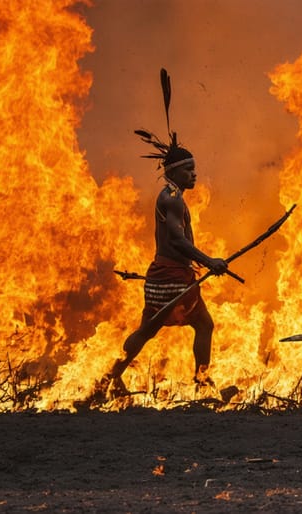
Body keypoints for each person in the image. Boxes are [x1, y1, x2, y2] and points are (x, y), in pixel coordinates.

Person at [95, 140, 229, 400]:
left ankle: (109, 377)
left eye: (194, 169)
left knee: (153, 330)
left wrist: (199, 261)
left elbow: (178, 242)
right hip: (172, 280)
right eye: (188, 170)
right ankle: (201, 382)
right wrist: (209, 260)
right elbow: (178, 240)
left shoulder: (172, 196)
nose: (194, 174)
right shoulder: (172, 199)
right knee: (200, 325)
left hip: (165, 277)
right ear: (172, 172)